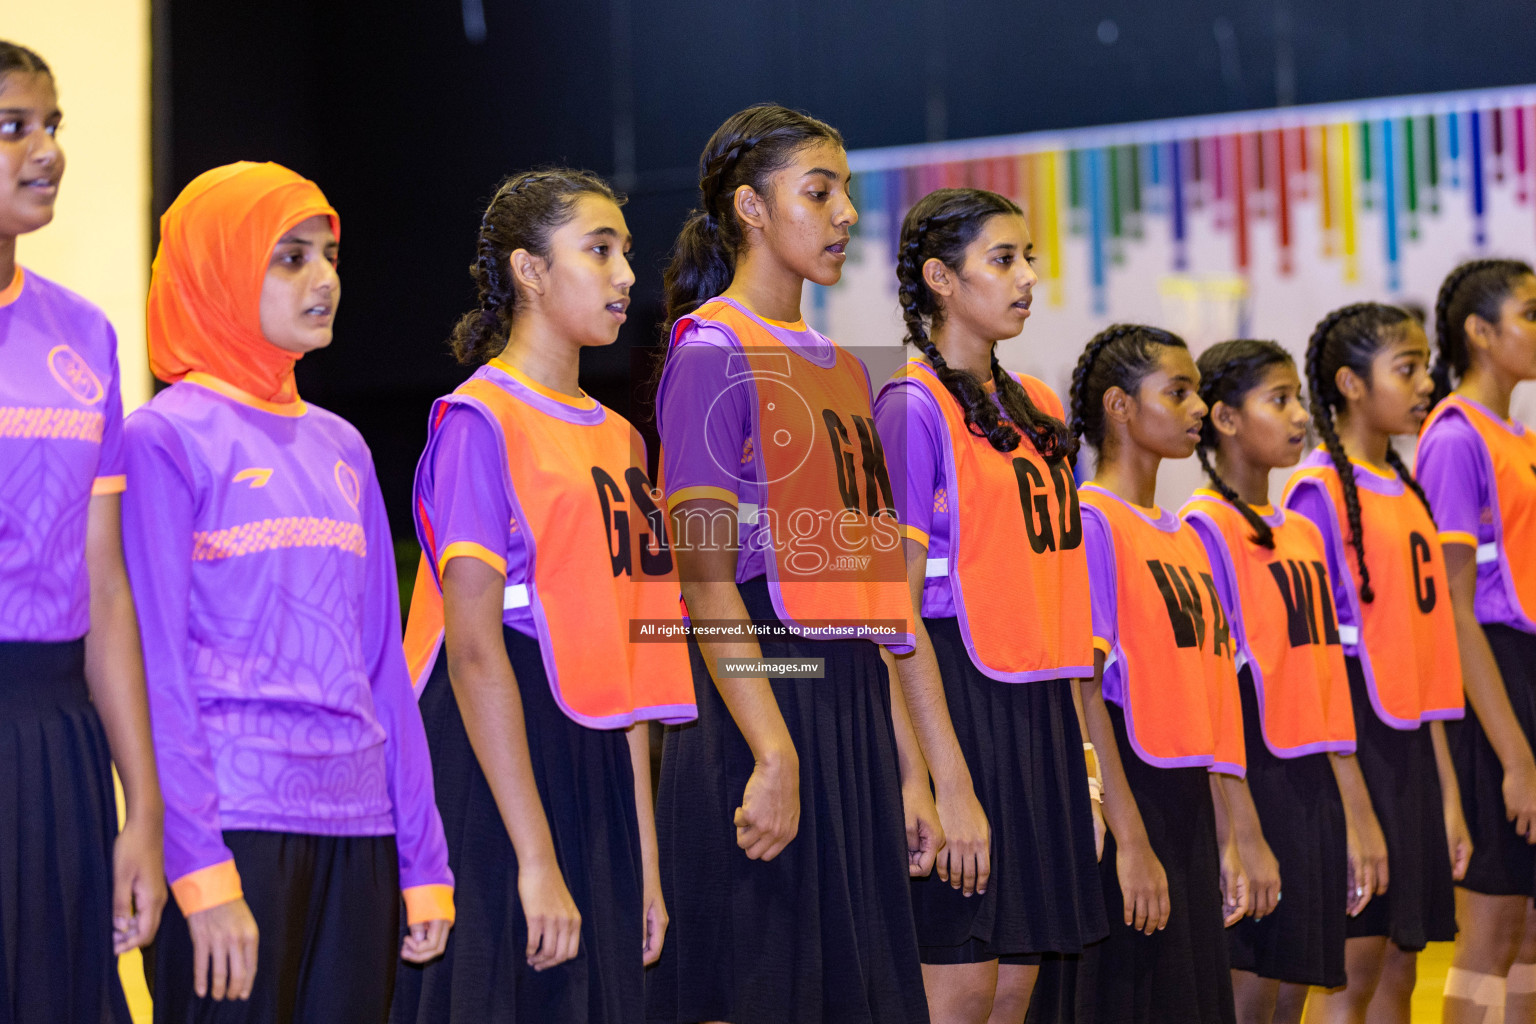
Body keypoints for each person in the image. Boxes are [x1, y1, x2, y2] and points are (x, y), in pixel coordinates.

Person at [123, 161, 454, 1022]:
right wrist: (197, 862)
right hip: (237, 831)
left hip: (362, 837)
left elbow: (385, 673)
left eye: (330, 255)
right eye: (290, 257)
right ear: (219, 267)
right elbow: (154, 666)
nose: (325, 280)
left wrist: (424, 862)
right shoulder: (163, 438)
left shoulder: (343, 447)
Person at [645, 103, 945, 1024]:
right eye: (820, 192)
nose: (846, 212)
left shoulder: (847, 370)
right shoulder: (709, 353)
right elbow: (701, 583)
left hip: (850, 709)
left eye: (846, 192)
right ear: (751, 209)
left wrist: (907, 768)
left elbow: (869, 600)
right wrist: (774, 750)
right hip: (762, 697)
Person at [390, 168, 696, 1024]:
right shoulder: (478, 421)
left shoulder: (626, 440)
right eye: (598, 250)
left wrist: (644, 858)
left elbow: (634, 664)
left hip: (596, 764)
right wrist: (533, 855)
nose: (625, 274)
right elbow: (474, 649)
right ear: (529, 270)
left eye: (626, 253)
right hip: (499, 766)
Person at [873, 186, 1107, 1023]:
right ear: (941, 277)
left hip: (1038, 713)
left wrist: (1083, 769)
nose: (1025, 278)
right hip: (959, 710)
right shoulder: (908, 406)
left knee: (1015, 990)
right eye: (1002, 260)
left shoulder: (1040, 405)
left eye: (1028, 258)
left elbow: (1060, 599)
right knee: (961, 989)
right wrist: (939, 780)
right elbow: (889, 619)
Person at [0, 38, 165, 1024]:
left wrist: (140, 806)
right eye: (14, 127)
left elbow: (106, 586)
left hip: (59, 731)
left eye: (52, 124)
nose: (47, 148)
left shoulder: (84, 334)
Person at [1180, 339, 1388, 1024]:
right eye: (1280, 399)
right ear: (1226, 419)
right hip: (1253, 782)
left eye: (1299, 397)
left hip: (1312, 784)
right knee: (1248, 992)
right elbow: (1210, 697)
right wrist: (1238, 830)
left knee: (1292, 995)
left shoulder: (1300, 531)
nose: (1300, 415)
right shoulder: (1202, 529)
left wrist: (1355, 809)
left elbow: (1328, 683)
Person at [1061, 323, 1263, 1024]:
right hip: (1133, 805)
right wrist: (1131, 839)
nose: (1198, 409)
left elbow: (1213, 696)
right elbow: (1083, 692)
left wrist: (1234, 829)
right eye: (1177, 392)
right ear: (1119, 406)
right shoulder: (1090, 522)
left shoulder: (1188, 534)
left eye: (1198, 393)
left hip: (1189, 810)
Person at [1283, 302, 1471, 1024]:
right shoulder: (1317, 491)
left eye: (1426, 365)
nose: (1426, 382)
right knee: (1351, 971)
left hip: (1411, 752)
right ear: (1350, 383)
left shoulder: (1410, 490)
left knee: (1401, 964)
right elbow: (1314, 664)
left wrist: (1447, 791)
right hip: (1350, 747)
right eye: (1408, 368)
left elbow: (1428, 670)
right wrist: (1352, 799)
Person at [1417, 260, 1536, 1024]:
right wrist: (1516, 757)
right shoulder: (1456, 438)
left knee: (1528, 929)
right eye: (1530, 313)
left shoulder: (1515, 435)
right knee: (1491, 925)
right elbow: (1454, 610)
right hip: (1490, 683)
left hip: (1524, 673)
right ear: (1480, 333)